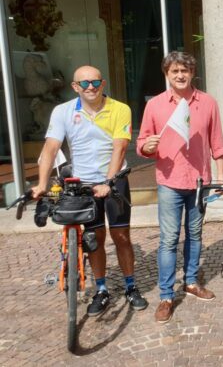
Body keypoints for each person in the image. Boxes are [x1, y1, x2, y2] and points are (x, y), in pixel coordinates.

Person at [31, 65, 148, 316]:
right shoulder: (63, 111)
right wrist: (42, 183)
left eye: (95, 82)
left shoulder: (120, 109)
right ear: (75, 87)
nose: (91, 87)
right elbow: (50, 148)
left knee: (122, 237)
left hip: (114, 179)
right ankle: (102, 289)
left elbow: (119, 148)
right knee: (94, 240)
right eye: (84, 83)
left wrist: (108, 182)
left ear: (102, 84)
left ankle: (130, 286)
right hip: (82, 184)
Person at [137, 51, 223, 323]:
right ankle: (165, 295)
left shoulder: (208, 103)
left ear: (192, 73)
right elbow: (142, 143)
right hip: (169, 182)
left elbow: (217, 142)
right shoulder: (154, 105)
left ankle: (190, 282)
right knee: (168, 239)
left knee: (196, 234)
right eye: (175, 71)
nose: (180, 75)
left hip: (200, 181)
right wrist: (147, 147)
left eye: (184, 70)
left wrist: (221, 175)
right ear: (167, 74)